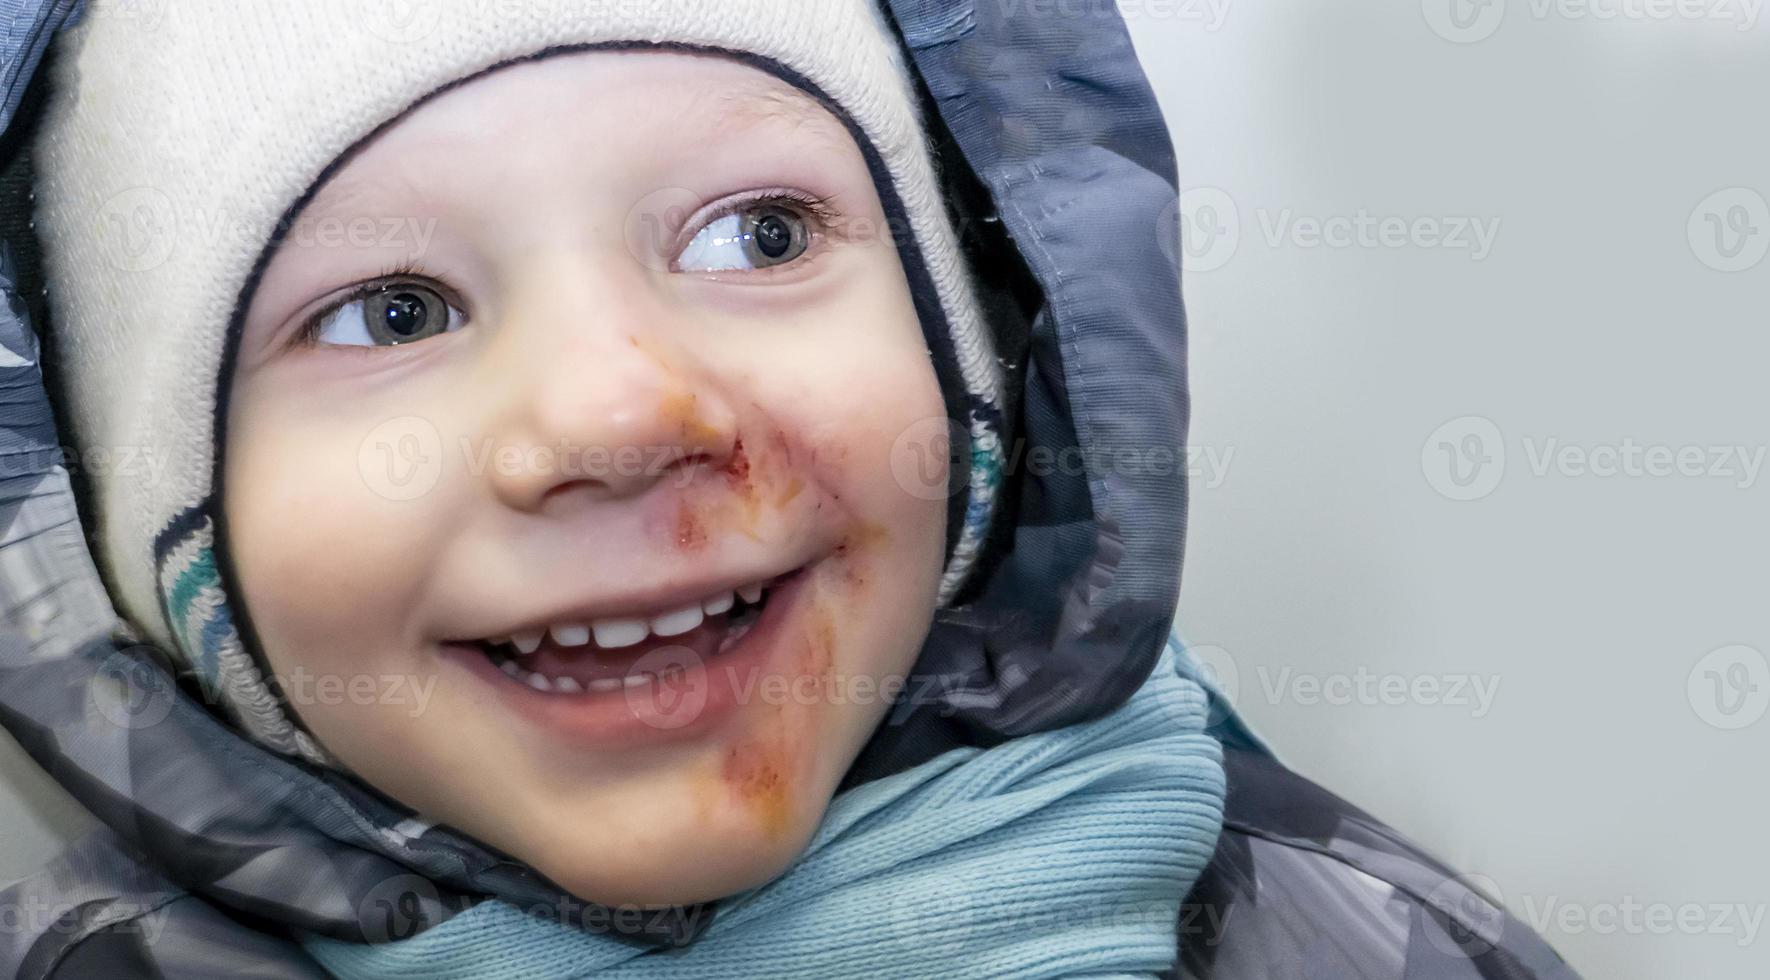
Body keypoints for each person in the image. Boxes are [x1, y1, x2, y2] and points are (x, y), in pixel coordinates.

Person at [0, 1, 1581, 977]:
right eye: (392, 312)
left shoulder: (1365, 943)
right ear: (144, 535)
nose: (621, 413)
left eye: (756, 234)